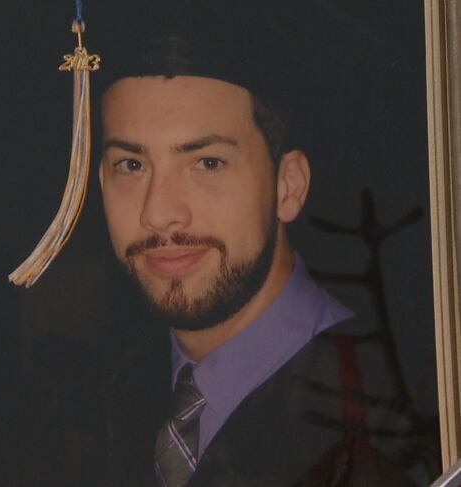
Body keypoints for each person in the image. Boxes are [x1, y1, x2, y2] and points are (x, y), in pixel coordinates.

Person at [95, 1, 424, 485]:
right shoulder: (118, 393)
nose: (157, 212)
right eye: (132, 165)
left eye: (207, 162)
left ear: (287, 186)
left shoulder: (395, 412)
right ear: (101, 181)